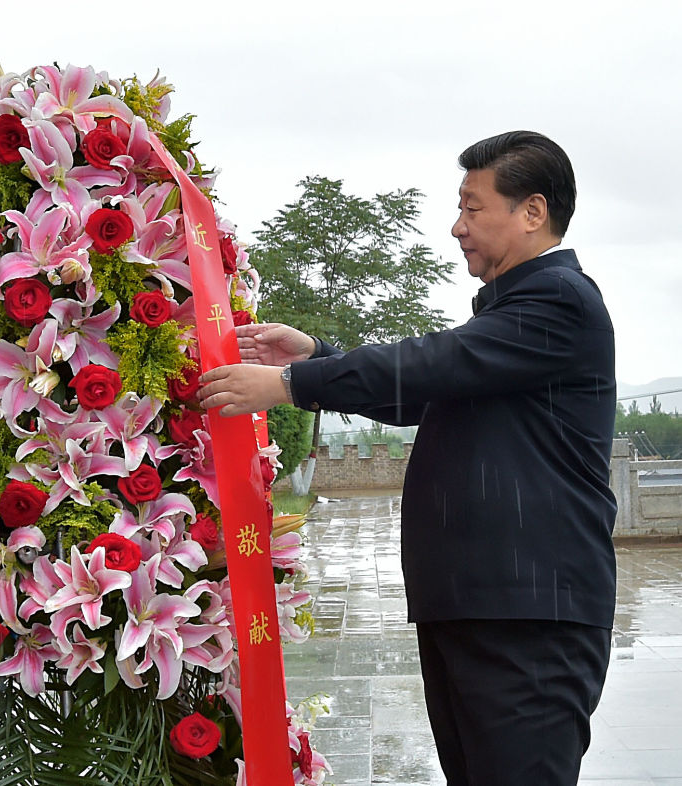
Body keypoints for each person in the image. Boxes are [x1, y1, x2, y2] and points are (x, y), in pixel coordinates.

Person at [197, 131, 616, 786]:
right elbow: (428, 388)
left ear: (532, 212)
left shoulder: (560, 300)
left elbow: (436, 362)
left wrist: (289, 384)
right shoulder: (512, 318)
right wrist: (318, 358)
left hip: (529, 616)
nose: (457, 227)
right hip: (478, 607)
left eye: (473, 208)